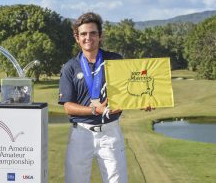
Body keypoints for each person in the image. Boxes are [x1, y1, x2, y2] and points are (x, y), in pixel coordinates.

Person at [59, 12, 154, 183]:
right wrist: (96, 109)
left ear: (100, 36)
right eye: (83, 34)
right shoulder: (70, 67)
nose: (88, 37)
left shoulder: (115, 60)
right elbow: (67, 107)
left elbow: (129, 92)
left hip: (110, 133)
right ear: (77, 38)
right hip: (81, 134)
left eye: (93, 33)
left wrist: (143, 102)